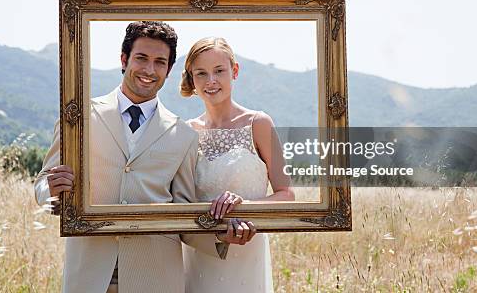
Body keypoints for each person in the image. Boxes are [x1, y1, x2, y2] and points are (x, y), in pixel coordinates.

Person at [33, 22, 254, 293]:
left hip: (155, 278)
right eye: (141, 58)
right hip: (88, 275)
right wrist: (52, 191)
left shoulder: (183, 135)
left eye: (160, 62)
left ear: (169, 70)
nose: (150, 70)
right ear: (124, 60)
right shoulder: (77, 117)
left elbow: (184, 213)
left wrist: (221, 235)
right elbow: (43, 183)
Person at [180, 37, 295, 292]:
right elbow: (181, 201)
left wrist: (247, 207)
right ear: (192, 78)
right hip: (200, 255)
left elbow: (286, 194)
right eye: (201, 73)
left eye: (219, 71)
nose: (211, 80)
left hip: (248, 252)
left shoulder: (259, 123)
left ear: (234, 71)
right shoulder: (186, 132)